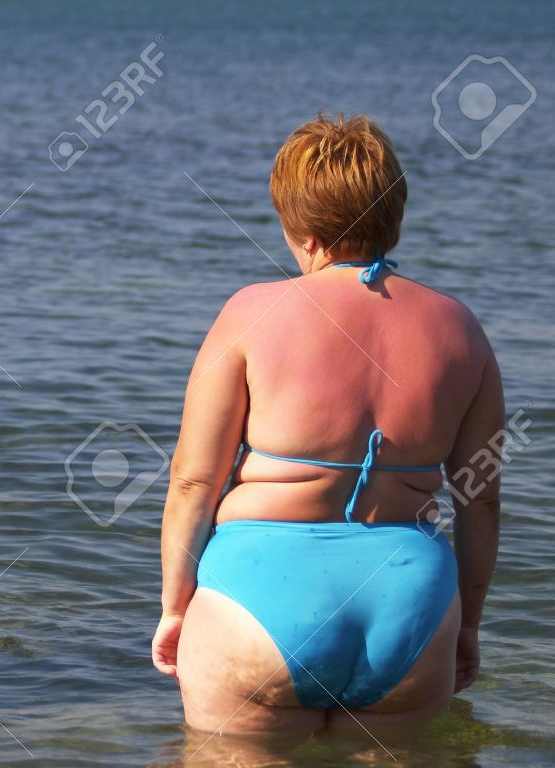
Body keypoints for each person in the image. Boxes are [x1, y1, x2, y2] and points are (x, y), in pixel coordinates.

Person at [152, 115, 503, 733]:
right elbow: (480, 501)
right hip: (410, 608)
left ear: (305, 232)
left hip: (257, 601)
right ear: (392, 215)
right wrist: (465, 624)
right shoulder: (462, 330)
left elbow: (192, 483)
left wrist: (176, 609)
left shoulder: (252, 313)